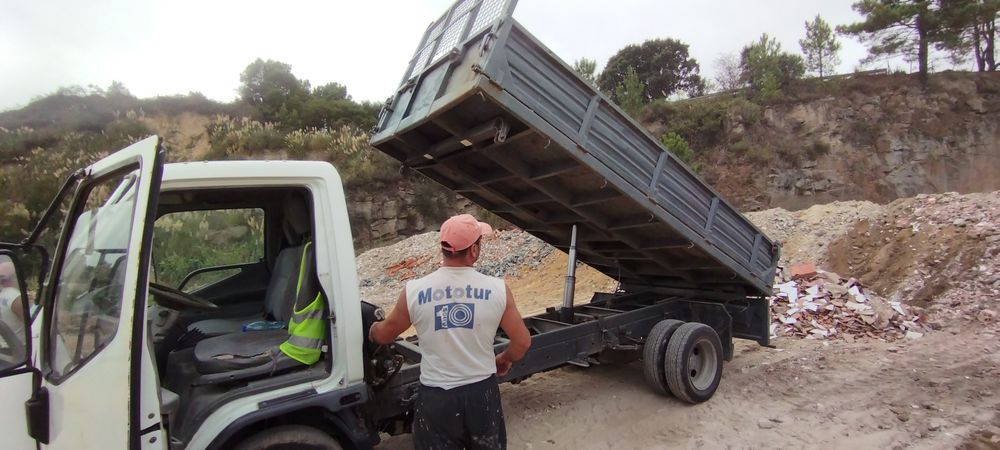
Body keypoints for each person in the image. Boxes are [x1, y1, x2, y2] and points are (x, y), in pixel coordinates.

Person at [369, 214, 531, 450]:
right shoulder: (498, 290)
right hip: (481, 394)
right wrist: (504, 359)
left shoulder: (414, 291)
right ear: (474, 250)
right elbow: (523, 342)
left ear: (443, 249)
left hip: (437, 398)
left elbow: (383, 335)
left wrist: (371, 328)